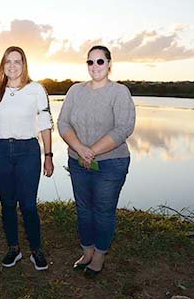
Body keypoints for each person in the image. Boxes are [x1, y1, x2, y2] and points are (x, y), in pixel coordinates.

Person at [57, 45, 135, 277]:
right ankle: (87, 251)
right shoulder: (74, 91)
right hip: (77, 161)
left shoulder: (119, 92)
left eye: (100, 61)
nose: (95, 67)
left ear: (110, 64)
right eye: (90, 62)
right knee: (83, 209)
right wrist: (80, 149)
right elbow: (63, 124)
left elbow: (124, 128)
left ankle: (99, 255)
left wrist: (91, 151)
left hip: (111, 163)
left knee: (103, 211)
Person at [0, 46, 54, 271]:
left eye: (17, 61)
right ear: (2, 65)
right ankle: (14, 248)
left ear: (24, 64)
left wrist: (48, 156)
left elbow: (45, 125)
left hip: (28, 151)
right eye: (8, 61)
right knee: (8, 204)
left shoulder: (36, 90)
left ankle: (36, 250)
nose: (12, 66)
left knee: (29, 205)